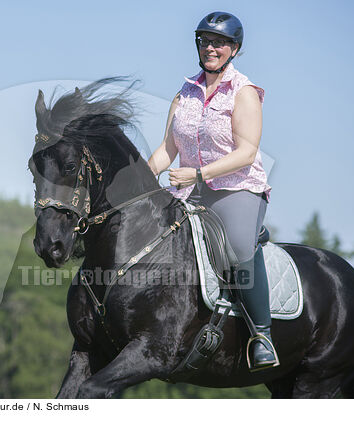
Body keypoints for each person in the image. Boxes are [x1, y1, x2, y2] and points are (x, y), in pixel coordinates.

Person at [148, 11, 277, 371]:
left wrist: (197, 174)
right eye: (205, 41)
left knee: (236, 247)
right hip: (189, 192)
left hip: (235, 189)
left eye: (219, 43)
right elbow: (166, 150)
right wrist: (139, 178)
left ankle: (261, 335)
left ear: (234, 49)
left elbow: (246, 153)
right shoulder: (183, 93)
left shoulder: (245, 93)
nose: (211, 48)